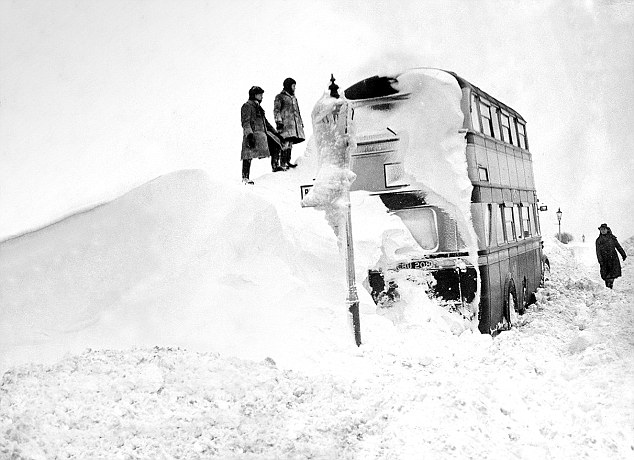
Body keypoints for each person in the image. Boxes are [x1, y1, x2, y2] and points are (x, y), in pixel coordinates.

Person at [241, 86, 283, 184]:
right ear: (255, 95)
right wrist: (249, 135)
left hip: (263, 135)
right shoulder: (247, 106)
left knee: (276, 144)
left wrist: (276, 133)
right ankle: (245, 178)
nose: (262, 97)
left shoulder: (258, 107)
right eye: (260, 94)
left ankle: (275, 166)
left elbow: (266, 123)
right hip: (253, 134)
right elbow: (245, 122)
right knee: (247, 155)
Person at [274, 77, 305, 170]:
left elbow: (297, 111)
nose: (294, 88)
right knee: (285, 143)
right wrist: (278, 121)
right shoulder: (280, 97)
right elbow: (276, 110)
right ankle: (283, 162)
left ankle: (287, 161)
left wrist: (300, 122)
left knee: (290, 142)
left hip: (293, 125)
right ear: (288, 86)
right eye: (293, 86)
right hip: (285, 124)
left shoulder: (294, 98)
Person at [595, 223, 627, 288]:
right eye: (601, 229)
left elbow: (618, 246)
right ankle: (608, 285)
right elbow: (598, 251)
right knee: (605, 274)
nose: (602, 231)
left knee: (612, 273)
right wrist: (600, 261)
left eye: (604, 229)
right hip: (604, 260)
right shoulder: (599, 240)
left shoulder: (612, 238)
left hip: (613, 258)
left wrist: (623, 254)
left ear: (607, 230)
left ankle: (610, 285)